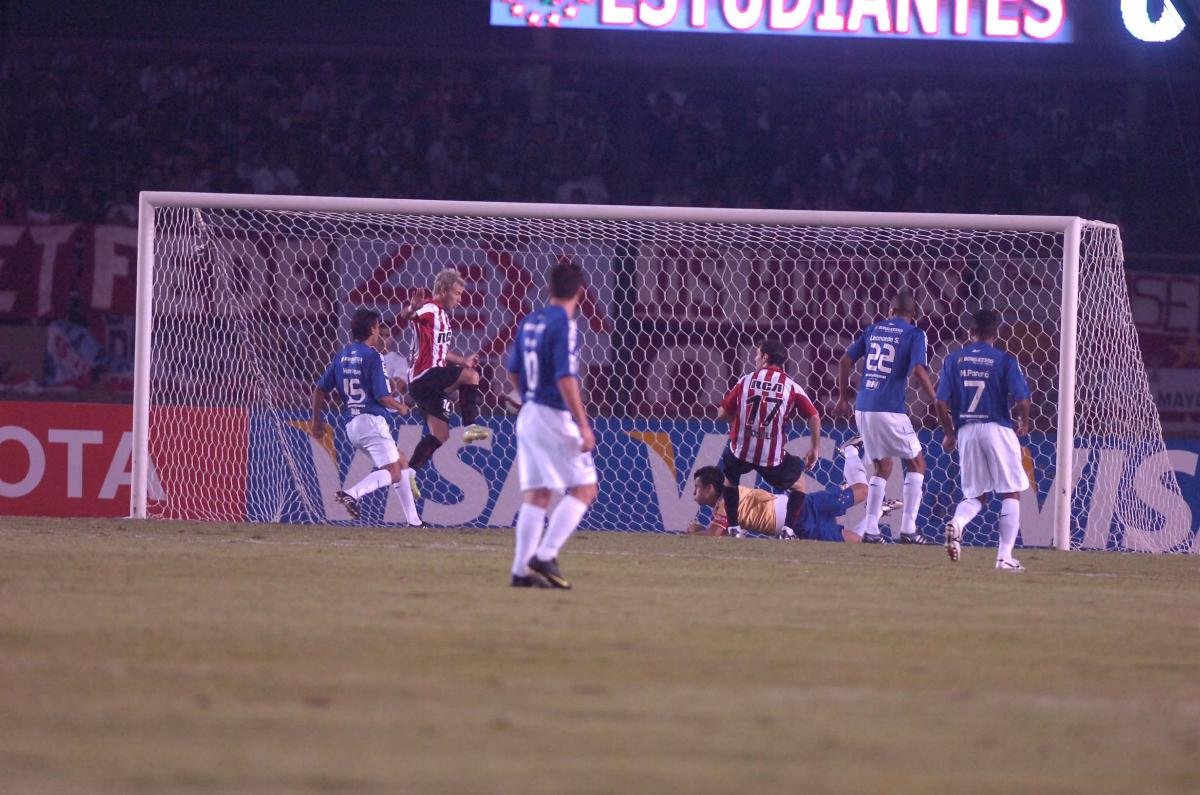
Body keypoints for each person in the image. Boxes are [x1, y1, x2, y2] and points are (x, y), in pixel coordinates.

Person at [504, 261, 598, 589]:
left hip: (529, 413)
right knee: (586, 488)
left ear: (549, 288)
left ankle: (520, 572)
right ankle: (546, 554)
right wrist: (583, 424)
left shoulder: (530, 321)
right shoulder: (565, 324)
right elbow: (566, 377)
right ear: (581, 292)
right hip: (552, 415)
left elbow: (513, 370)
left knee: (538, 495)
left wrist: (528, 394)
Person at [834, 290, 938, 544]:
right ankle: (908, 529)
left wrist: (843, 398)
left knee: (883, 466)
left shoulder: (873, 330)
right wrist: (936, 399)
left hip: (863, 407)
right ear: (914, 315)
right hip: (889, 408)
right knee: (917, 464)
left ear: (890, 311)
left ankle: (871, 529)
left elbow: (845, 361)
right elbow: (918, 370)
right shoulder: (915, 334)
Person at [935, 309, 1032, 571]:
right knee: (1010, 492)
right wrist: (1024, 422)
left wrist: (950, 433)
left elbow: (940, 402)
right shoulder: (1004, 360)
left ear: (971, 332)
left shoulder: (953, 360)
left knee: (976, 495)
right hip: (997, 428)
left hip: (967, 431)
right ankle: (1004, 558)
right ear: (995, 334)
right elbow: (1023, 399)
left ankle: (957, 524)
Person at [310, 308, 422, 526]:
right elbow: (382, 397)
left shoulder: (342, 355)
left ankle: (415, 521)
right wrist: (400, 407)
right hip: (371, 422)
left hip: (352, 425)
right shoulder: (373, 356)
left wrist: (316, 421)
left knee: (401, 462)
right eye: (378, 328)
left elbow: (319, 389)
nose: (380, 332)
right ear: (372, 329)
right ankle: (351, 494)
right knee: (394, 472)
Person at [687, 441, 901, 541]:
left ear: (710, 488)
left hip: (804, 506)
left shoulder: (727, 503)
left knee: (863, 491)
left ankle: (850, 451)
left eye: (697, 488)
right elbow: (721, 536)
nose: (694, 493)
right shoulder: (724, 505)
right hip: (802, 525)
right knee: (858, 541)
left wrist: (694, 533)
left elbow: (713, 536)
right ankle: (877, 512)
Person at [717, 340, 820, 539]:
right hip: (771, 457)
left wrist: (740, 422)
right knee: (799, 485)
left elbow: (721, 413)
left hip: (741, 451)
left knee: (730, 481)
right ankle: (787, 531)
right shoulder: (790, 386)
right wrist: (815, 448)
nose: (755, 358)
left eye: (757, 354)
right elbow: (814, 416)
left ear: (765, 357)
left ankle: (733, 528)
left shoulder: (746, 380)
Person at [402, 269, 490, 483]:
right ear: (443, 290)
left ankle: (409, 474)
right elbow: (408, 316)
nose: (460, 299)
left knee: (441, 435)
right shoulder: (430, 308)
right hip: (425, 376)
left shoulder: (442, 316)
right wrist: (413, 307)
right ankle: (470, 427)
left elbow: (440, 352)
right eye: (457, 293)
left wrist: (463, 360)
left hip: (422, 384)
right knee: (471, 376)